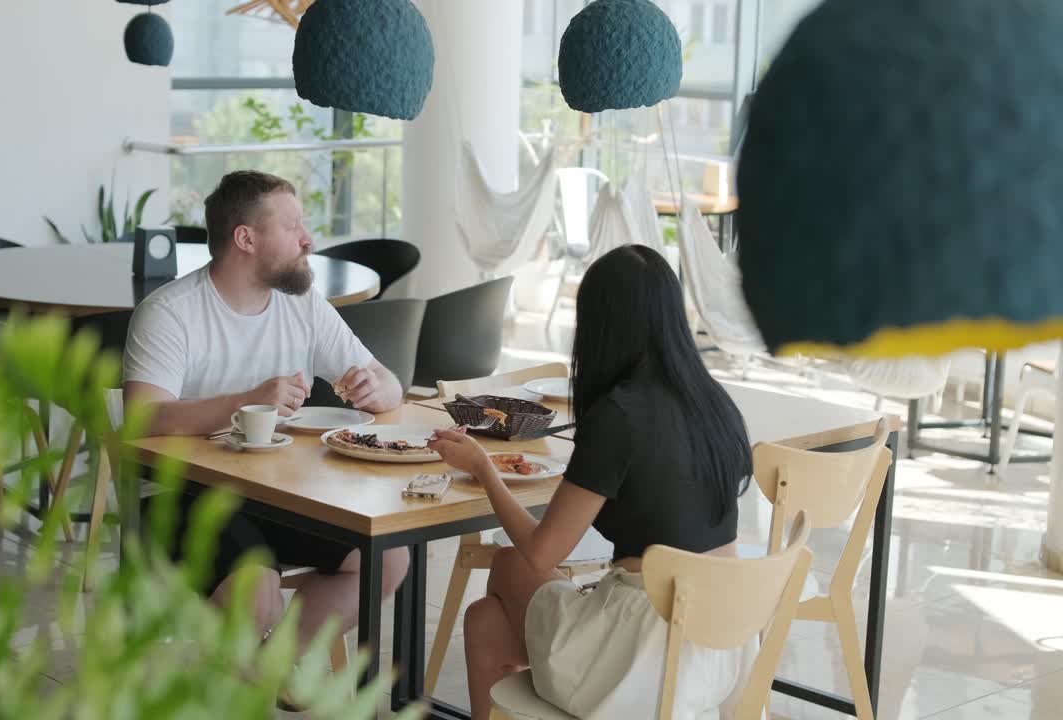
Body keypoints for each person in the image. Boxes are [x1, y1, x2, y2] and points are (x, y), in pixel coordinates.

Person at [428, 245, 756, 719]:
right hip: (717, 645)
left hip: (642, 657)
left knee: (509, 564)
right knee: (485, 623)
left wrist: (483, 469)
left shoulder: (619, 415)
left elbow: (543, 552)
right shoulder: (712, 401)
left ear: (600, 325)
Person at [123, 170, 409, 649]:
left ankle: (276, 667)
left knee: (388, 556)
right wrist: (244, 402)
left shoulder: (302, 305)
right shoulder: (170, 313)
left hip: (281, 493)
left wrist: (380, 391)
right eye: (292, 225)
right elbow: (143, 418)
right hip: (180, 494)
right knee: (257, 593)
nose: (307, 239)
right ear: (246, 238)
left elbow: (389, 381)